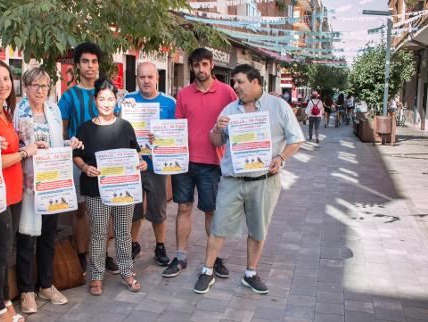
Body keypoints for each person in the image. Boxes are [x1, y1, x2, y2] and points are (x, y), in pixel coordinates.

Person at [193, 64, 304, 294]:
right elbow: (216, 141)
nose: (236, 86)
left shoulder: (279, 107)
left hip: (265, 180)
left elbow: (296, 140)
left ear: (255, 82)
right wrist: (216, 128)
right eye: (234, 82)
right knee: (218, 226)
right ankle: (207, 271)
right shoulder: (229, 110)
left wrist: (281, 158)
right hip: (232, 180)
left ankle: (250, 273)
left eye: (240, 82)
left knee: (258, 229)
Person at [162, 48, 237, 279]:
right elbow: (176, 127)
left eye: (205, 64)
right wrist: (161, 139)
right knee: (183, 208)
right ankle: (181, 256)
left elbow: (239, 122)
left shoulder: (227, 93)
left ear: (212, 65)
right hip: (183, 163)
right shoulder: (183, 94)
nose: (201, 69)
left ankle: (214, 259)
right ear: (192, 67)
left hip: (213, 163)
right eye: (196, 65)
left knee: (211, 211)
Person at [13, 67, 83, 313]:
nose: (40, 91)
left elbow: (56, 143)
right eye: (35, 86)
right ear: (26, 87)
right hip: (27, 184)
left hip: (52, 182)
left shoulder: (53, 110)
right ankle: (26, 291)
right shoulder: (18, 113)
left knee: (48, 237)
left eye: (44, 86)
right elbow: (16, 148)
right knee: (25, 239)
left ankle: (46, 283)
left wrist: (69, 143)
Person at [0, 60, 44, 322]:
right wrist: (25, 152)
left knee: (5, 251)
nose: (3, 84)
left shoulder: (5, 111)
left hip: (14, 192)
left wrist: (31, 145)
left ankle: (5, 300)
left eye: (6, 79)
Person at [73, 78, 148, 295]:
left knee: (123, 232)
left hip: (123, 189)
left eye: (110, 99)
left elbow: (135, 153)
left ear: (116, 101)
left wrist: (141, 163)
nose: (106, 103)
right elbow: (76, 155)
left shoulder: (125, 126)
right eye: (101, 99)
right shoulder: (85, 128)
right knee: (98, 233)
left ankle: (127, 271)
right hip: (96, 189)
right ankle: (96, 275)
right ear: (95, 100)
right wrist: (86, 167)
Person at [58, 42, 117, 274]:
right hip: (79, 162)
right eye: (85, 61)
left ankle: (102, 254)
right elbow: (63, 131)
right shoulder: (69, 96)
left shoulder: (107, 93)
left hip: (107, 161)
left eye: (94, 61)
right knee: (81, 210)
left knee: (107, 207)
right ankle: (83, 255)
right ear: (77, 65)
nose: (90, 66)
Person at [121, 62, 175, 266]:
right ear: (137, 78)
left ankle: (160, 246)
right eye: (142, 77)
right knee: (134, 209)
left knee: (158, 210)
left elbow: (175, 133)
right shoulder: (128, 101)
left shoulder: (169, 103)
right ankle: (134, 245)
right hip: (133, 165)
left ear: (157, 78)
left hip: (157, 165)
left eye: (150, 77)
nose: (146, 81)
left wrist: (161, 137)